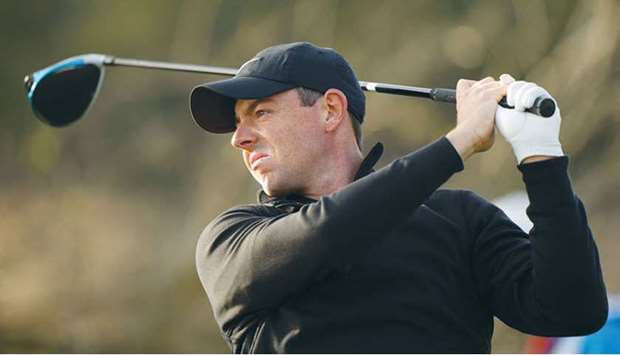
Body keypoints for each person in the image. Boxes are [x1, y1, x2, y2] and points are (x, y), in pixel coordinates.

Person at [190, 42, 608, 353]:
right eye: (238, 123)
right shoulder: (232, 237)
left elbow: (573, 310)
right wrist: (457, 143)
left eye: (260, 113)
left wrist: (543, 160)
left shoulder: (458, 219)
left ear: (331, 110)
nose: (239, 139)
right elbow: (328, 232)